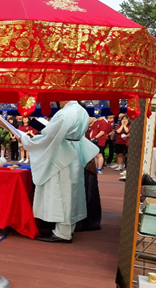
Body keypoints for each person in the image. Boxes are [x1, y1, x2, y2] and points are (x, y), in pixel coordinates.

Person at [21, 101, 99, 243]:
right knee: (71, 192)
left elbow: (50, 136)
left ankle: (63, 232)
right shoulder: (81, 110)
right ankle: (67, 229)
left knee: (62, 193)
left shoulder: (66, 113)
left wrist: (26, 140)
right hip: (73, 151)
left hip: (63, 155)